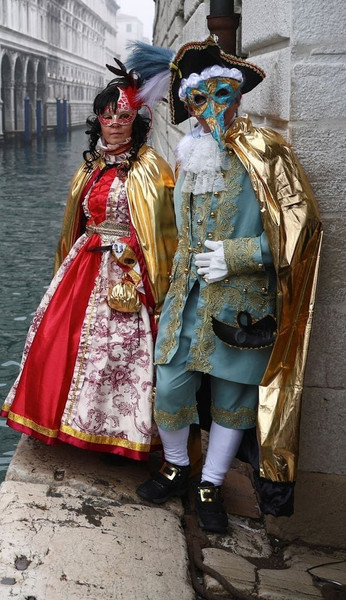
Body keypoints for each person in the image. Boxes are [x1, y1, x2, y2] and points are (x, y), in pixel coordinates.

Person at [128, 38, 322, 533]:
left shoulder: (267, 151)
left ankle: (210, 483)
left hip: (241, 304)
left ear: (237, 95)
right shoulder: (187, 153)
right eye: (199, 98)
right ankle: (177, 466)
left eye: (221, 94)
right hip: (186, 297)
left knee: (233, 399)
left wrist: (238, 255)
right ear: (188, 103)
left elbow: (302, 229)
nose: (211, 108)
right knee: (170, 384)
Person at [1, 63, 177, 462]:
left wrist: (139, 269)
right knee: (59, 338)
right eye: (108, 116)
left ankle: (114, 432)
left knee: (117, 351)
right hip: (84, 264)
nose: (115, 123)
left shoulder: (152, 168)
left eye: (124, 116)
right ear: (98, 120)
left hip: (128, 269)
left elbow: (161, 232)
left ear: (137, 121)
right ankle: (67, 423)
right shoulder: (89, 168)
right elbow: (76, 223)